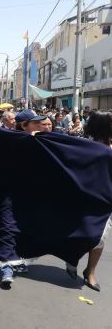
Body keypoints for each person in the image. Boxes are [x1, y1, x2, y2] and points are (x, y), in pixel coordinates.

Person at [77, 110, 112, 291]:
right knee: (78, 232)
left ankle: (90, 272)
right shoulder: (84, 145)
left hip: (106, 202)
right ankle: (71, 261)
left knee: (99, 237)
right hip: (84, 198)